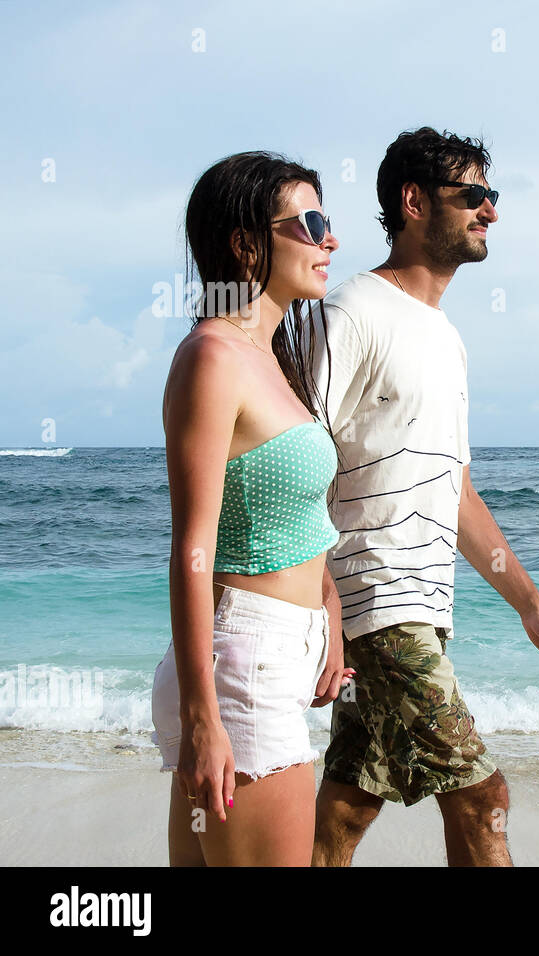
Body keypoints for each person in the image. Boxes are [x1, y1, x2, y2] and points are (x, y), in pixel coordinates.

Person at [307, 127, 539, 867]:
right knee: (481, 796)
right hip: (376, 600)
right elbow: (297, 458)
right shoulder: (354, 311)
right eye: (474, 196)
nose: (491, 211)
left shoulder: (446, 337)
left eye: (492, 197)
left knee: (349, 804)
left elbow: (454, 490)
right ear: (412, 201)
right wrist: (326, 606)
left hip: (421, 608)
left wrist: (531, 606)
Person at [151, 151, 350, 866]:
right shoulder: (212, 357)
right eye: (312, 222)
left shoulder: (268, 358)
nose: (330, 240)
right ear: (245, 243)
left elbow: (282, 515)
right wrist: (203, 718)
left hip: (266, 659)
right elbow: (192, 547)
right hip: (239, 670)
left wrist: (326, 607)